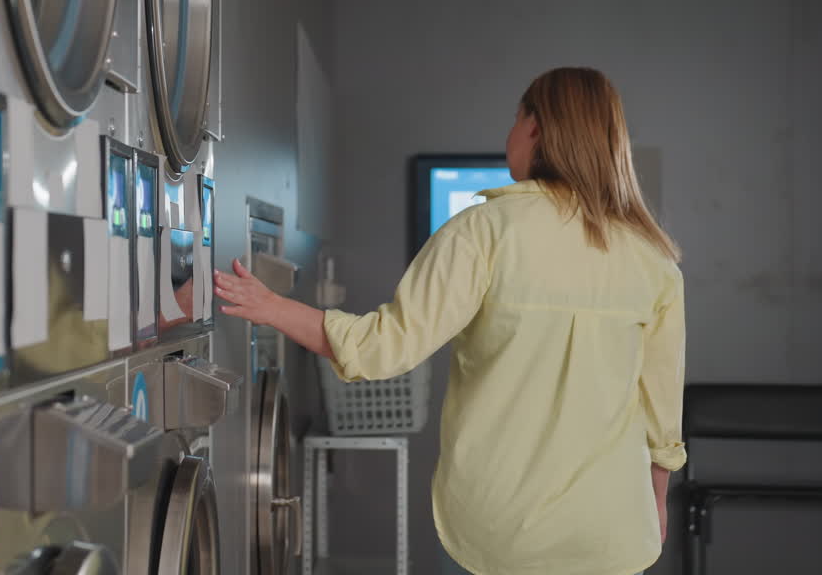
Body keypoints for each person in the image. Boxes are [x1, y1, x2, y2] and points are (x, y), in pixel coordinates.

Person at [214, 67, 686, 575]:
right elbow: (661, 413)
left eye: (515, 118)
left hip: (502, 531)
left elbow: (382, 348)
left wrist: (270, 306)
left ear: (536, 128)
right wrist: (655, 501)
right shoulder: (651, 259)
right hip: (613, 530)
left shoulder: (482, 231)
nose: (510, 133)